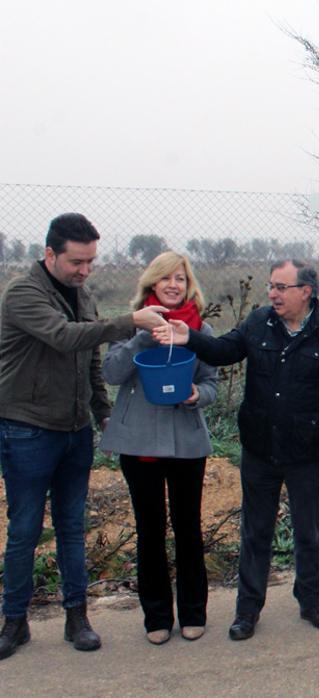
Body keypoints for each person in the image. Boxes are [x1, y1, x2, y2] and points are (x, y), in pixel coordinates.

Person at [0, 213, 168, 660]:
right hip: (27, 429)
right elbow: (64, 337)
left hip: (75, 431)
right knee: (24, 530)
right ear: (50, 254)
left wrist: (103, 412)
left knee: (73, 526)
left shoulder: (83, 294)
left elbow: (90, 361)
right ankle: (14, 622)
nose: (85, 271)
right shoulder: (22, 293)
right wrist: (132, 321)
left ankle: (78, 617)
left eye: (91, 261)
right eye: (77, 261)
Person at [156, 259, 319, 641]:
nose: (272, 294)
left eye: (281, 287)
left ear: (305, 292)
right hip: (260, 448)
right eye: (271, 286)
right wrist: (189, 337)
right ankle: (247, 610)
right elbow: (223, 351)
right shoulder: (258, 321)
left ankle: (311, 602)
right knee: (255, 532)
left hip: (308, 451)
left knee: (309, 532)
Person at [99, 251, 219, 645]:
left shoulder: (202, 329)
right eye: (165, 278)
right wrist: (142, 334)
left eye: (180, 279)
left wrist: (196, 394)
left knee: (188, 528)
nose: (173, 285)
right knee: (149, 530)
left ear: (189, 285)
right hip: (139, 445)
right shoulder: (130, 325)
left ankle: (193, 613)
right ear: (152, 284)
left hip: (186, 443)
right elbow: (113, 373)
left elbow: (212, 384)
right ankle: (155, 617)